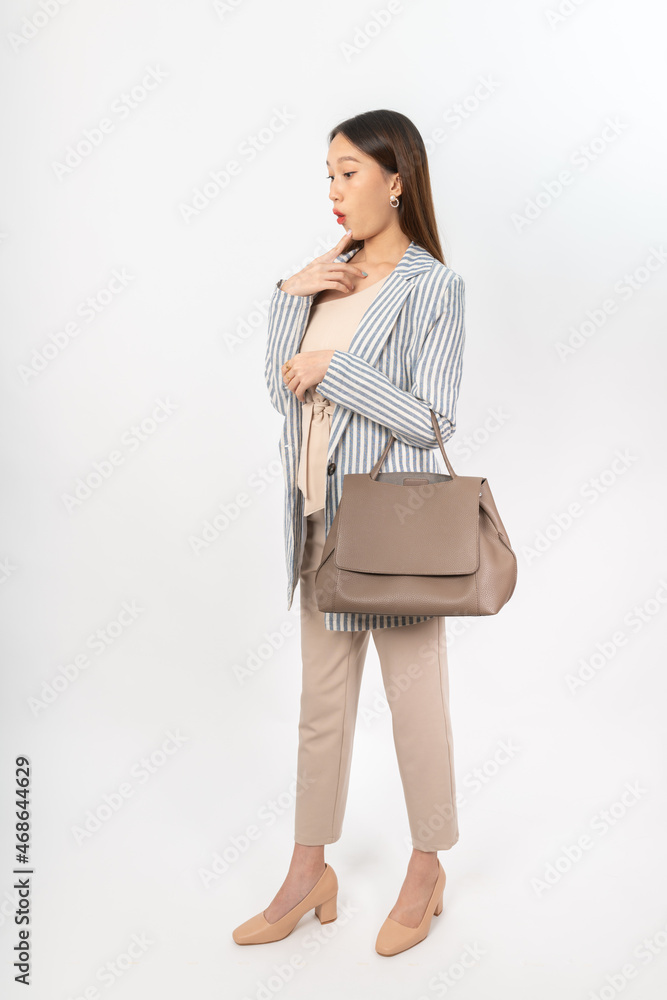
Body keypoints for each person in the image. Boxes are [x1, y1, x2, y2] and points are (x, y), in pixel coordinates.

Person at [233, 109, 466, 956]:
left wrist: (341, 369)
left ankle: (427, 864)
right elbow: (280, 392)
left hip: (394, 531)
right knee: (318, 712)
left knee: (416, 710)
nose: (333, 191)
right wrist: (286, 299)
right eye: (326, 175)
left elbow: (432, 415)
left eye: (348, 173)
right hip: (317, 523)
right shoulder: (326, 274)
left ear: (395, 178)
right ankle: (308, 872)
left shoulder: (432, 286)